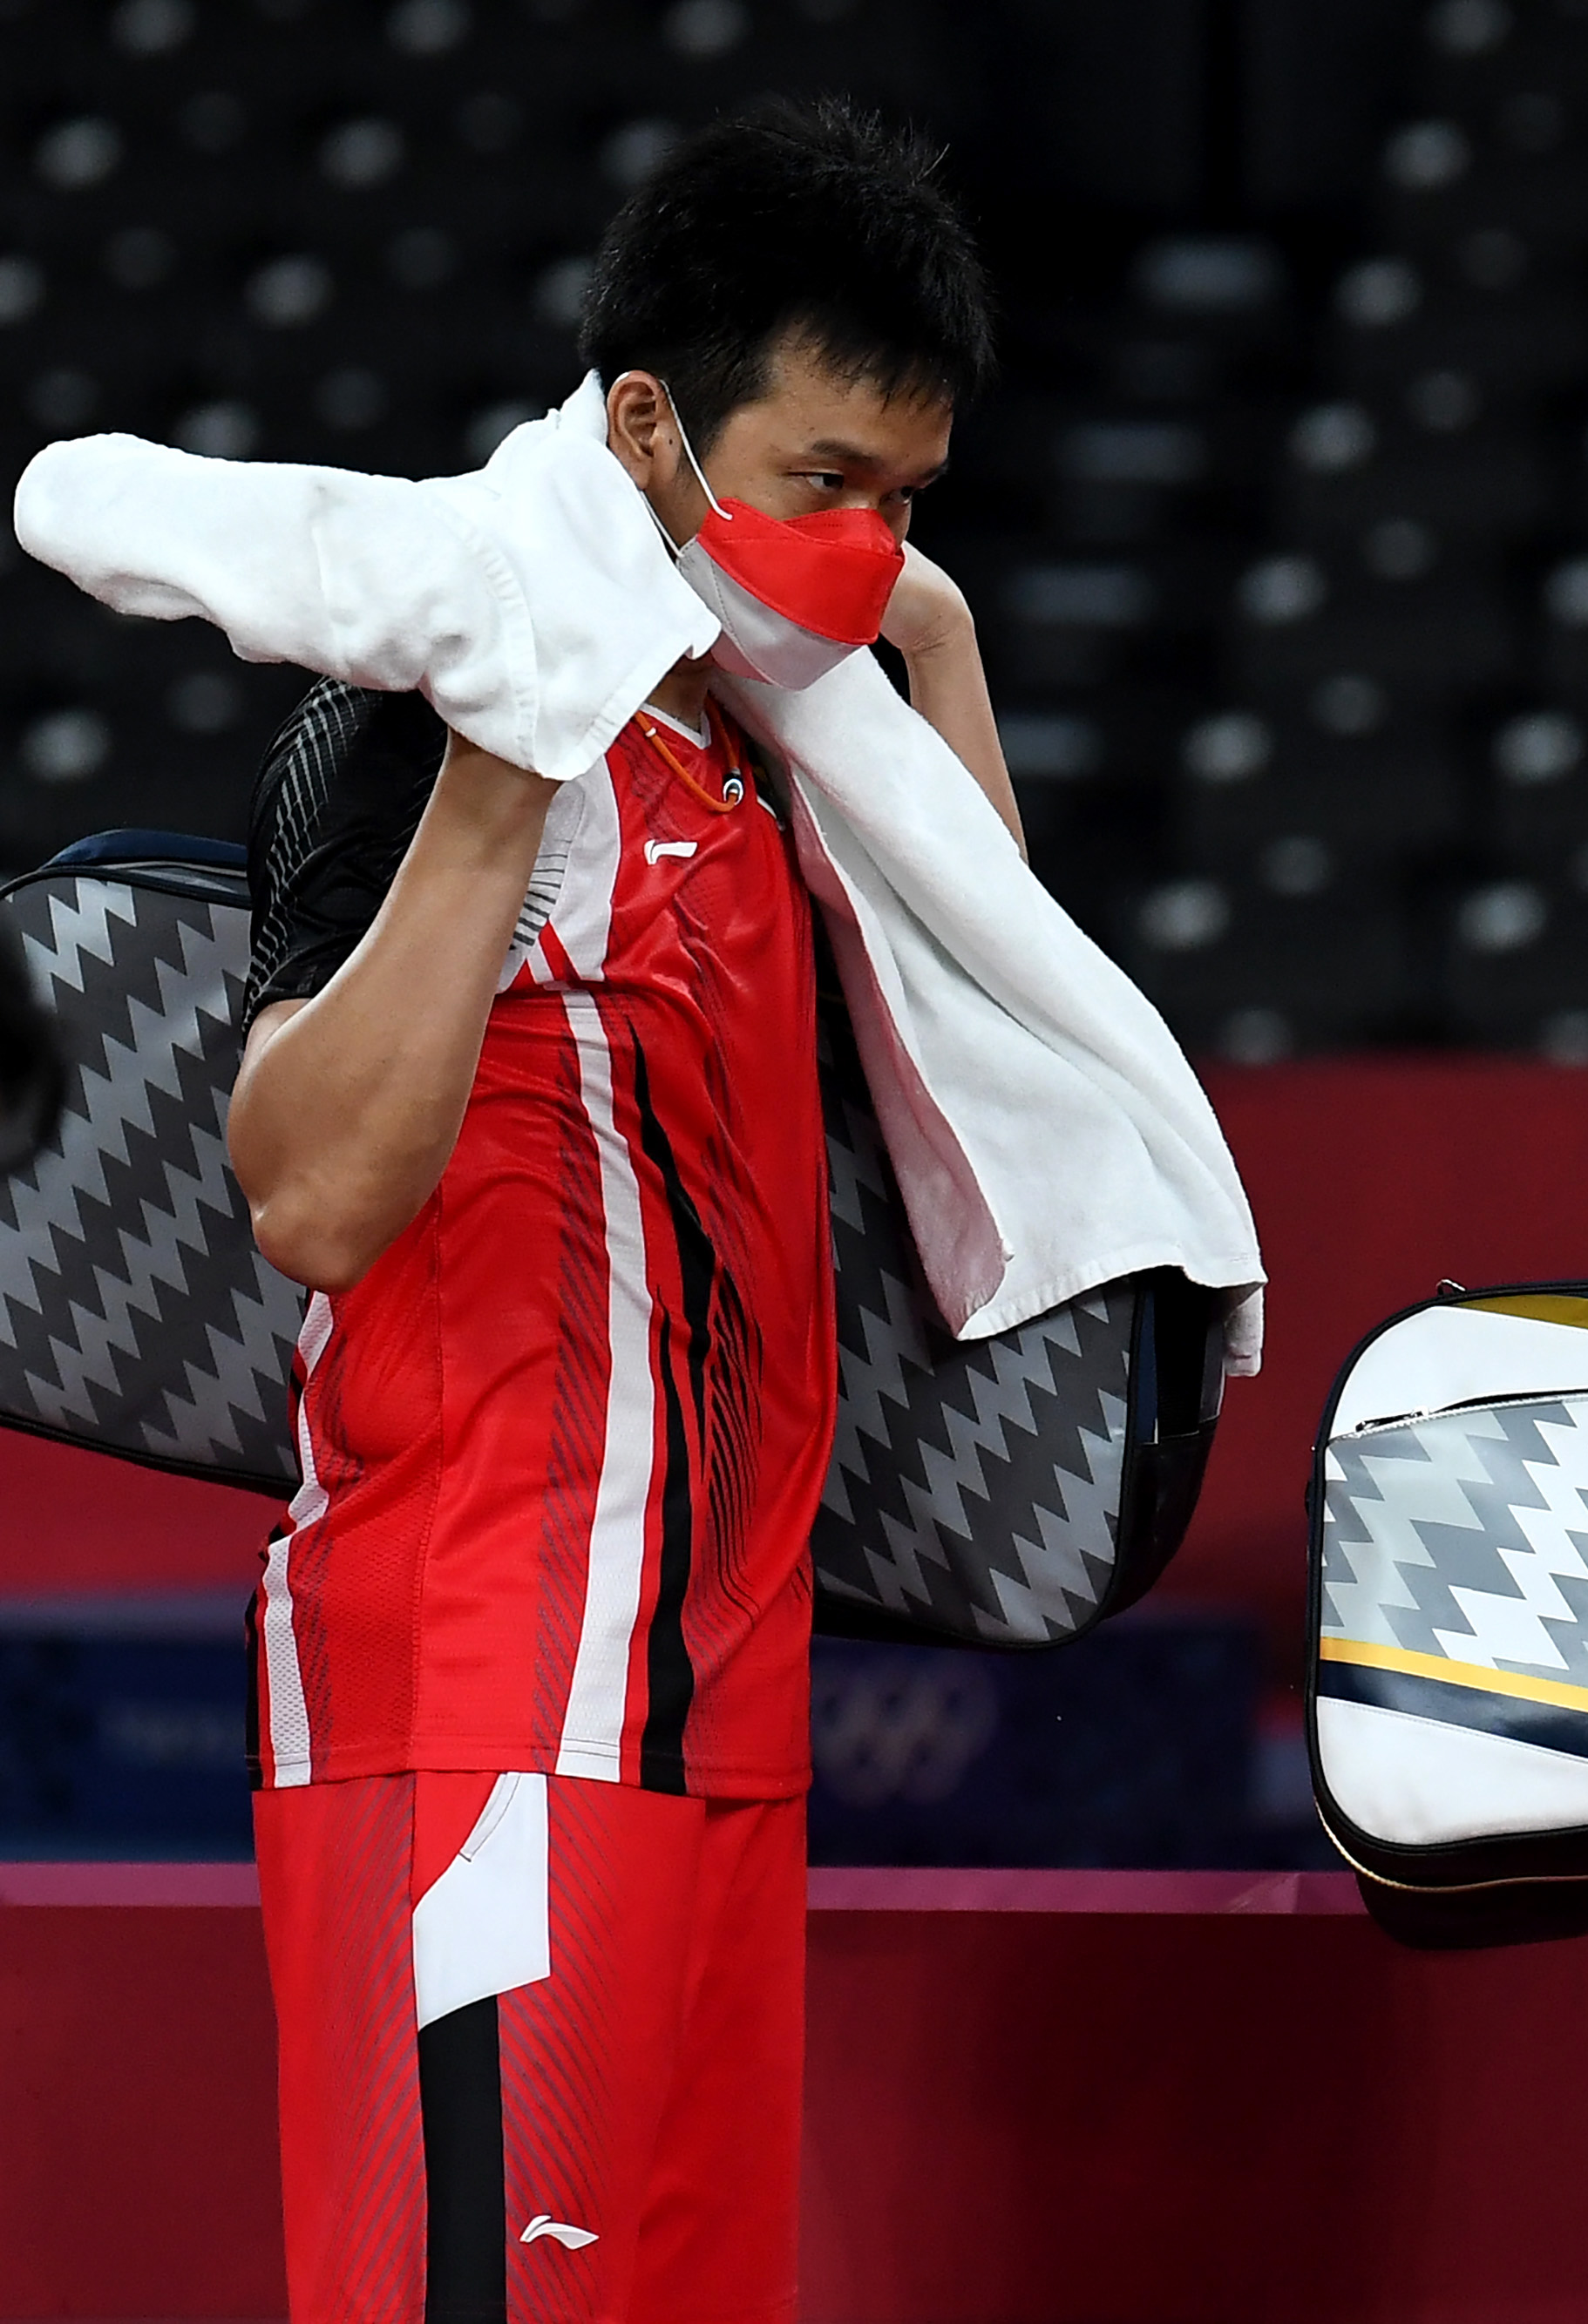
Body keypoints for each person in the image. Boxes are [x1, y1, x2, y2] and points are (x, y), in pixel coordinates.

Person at [224, 99, 1008, 2323]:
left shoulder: (762, 731)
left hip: (717, 1717)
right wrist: (505, 762)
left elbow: (994, 1064)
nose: (859, 542)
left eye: (907, 498)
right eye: (822, 484)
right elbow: (306, 1188)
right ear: (648, 426)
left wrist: (936, 650)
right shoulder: (418, 704)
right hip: (481, 1698)